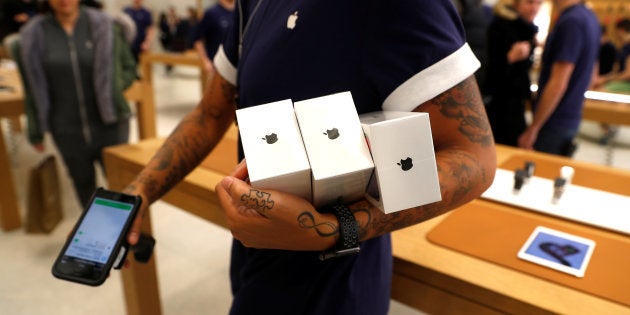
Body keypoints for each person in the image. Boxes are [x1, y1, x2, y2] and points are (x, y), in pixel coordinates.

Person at [123, 1, 496, 314]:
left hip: (339, 283)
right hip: (257, 259)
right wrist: (141, 191)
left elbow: (473, 157)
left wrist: (336, 228)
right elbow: (211, 112)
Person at [13, 0, 137, 207]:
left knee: (121, 186)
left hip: (111, 124)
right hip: (65, 129)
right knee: (83, 185)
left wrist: (114, 87)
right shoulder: (33, 34)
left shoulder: (105, 25)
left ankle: (127, 235)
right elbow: (32, 87)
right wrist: (35, 130)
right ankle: (94, 235)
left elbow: (129, 68)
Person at [518, 0, 600, 157]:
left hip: (554, 120)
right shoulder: (589, 17)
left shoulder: (571, 21)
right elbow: (593, 73)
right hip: (571, 115)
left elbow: (558, 83)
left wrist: (534, 128)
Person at [484, 0, 542, 147]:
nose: (534, 8)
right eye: (529, 2)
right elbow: (488, 71)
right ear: (515, 3)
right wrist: (510, 58)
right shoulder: (500, 26)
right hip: (499, 105)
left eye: (538, 3)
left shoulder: (527, 30)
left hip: (516, 102)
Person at [190, 0, 234, 76]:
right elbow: (197, 39)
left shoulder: (240, 12)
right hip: (217, 67)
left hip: (236, 67)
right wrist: (205, 61)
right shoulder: (211, 13)